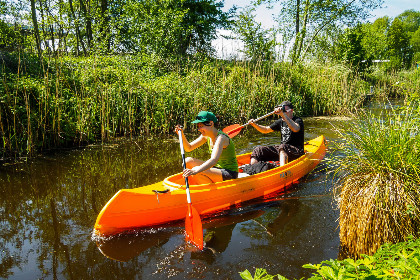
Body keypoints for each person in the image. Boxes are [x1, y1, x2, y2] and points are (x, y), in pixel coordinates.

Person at [175, 111, 239, 184]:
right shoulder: (206, 136)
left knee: (197, 169)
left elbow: (213, 160)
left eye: (201, 126)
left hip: (229, 173)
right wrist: (181, 135)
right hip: (216, 169)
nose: (199, 129)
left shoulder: (221, 138)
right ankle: (203, 183)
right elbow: (188, 148)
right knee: (187, 161)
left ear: (211, 124)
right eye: (198, 127)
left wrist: (195, 170)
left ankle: (209, 188)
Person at [248, 101, 304, 166]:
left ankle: (282, 171)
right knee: (258, 150)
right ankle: (252, 169)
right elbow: (265, 130)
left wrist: (283, 115)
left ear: (291, 111)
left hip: (297, 151)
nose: (283, 113)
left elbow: (295, 129)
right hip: (283, 150)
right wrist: (254, 124)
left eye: (285, 111)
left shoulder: (298, 120)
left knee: (283, 147)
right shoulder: (280, 122)